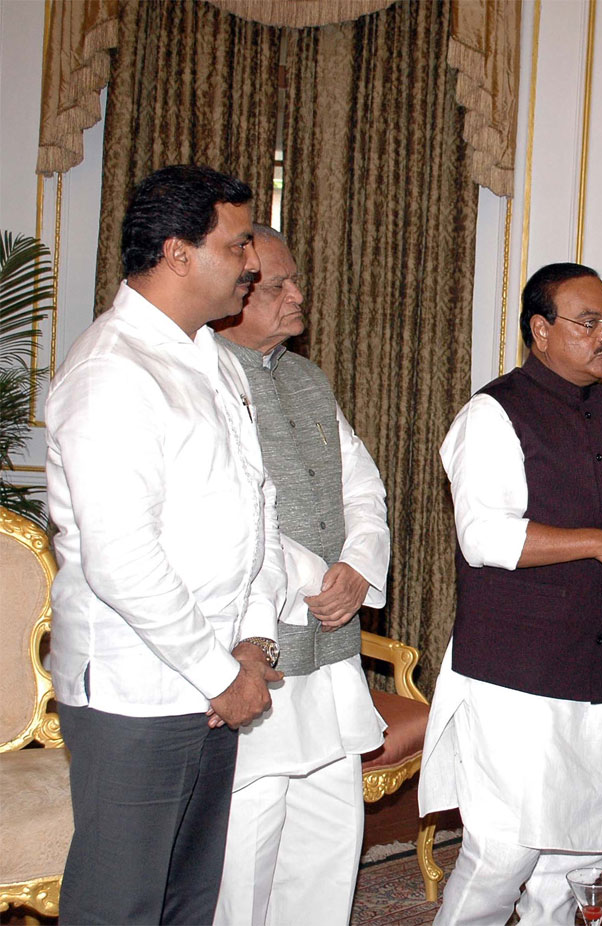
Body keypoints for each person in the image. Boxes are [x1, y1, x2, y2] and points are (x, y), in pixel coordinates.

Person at [45, 165, 286, 924]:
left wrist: (252, 642)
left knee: (186, 900)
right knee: (121, 904)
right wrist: (220, 673)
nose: (253, 261)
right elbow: (123, 559)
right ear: (179, 253)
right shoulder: (113, 370)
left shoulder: (206, 355)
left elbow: (256, 505)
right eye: (238, 241)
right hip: (137, 689)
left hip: (212, 676)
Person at [419, 262, 602, 924]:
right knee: (504, 853)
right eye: (587, 323)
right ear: (540, 330)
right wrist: (595, 541)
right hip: (516, 675)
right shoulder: (493, 413)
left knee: (579, 861)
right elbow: (483, 537)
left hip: (596, 675)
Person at [212, 225, 390, 925]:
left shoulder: (305, 376)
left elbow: (362, 485)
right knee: (245, 852)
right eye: (280, 284)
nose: (298, 294)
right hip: (254, 654)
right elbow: (229, 516)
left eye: (294, 280)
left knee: (328, 838)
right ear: (236, 295)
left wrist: (358, 565)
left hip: (330, 651)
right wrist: (323, 574)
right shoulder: (206, 375)